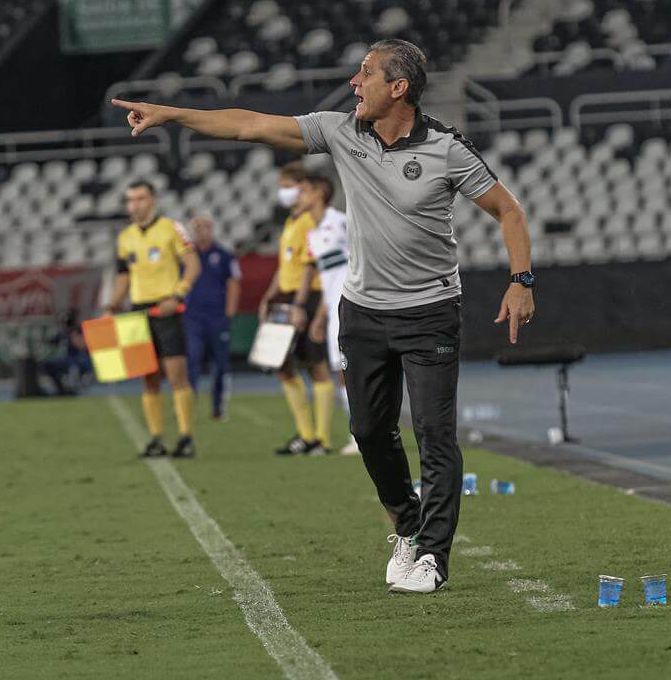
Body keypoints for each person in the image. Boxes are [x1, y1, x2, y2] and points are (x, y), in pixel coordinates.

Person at [113, 37, 533, 595]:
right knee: (366, 431)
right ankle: (408, 528)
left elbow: (509, 209)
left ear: (398, 87)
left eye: (366, 74)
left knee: (434, 433)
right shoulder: (339, 131)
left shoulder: (448, 150)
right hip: (362, 312)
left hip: (430, 310)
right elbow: (249, 126)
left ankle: (433, 554)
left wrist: (520, 280)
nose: (355, 83)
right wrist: (173, 115)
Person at [107, 180, 200, 458]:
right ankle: (157, 438)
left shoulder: (172, 228)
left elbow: (193, 264)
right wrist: (114, 301)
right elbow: (124, 276)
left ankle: (186, 437)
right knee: (148, 378)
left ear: (152, 200)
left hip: (167, 309)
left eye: (140, 198)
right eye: (130, 200)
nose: (134, 205)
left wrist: (179, 296)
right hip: (139, 311)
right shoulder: (125, 237)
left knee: (176, 375)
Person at [263, 162, 333, 455]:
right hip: (288, 297)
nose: (284, 192)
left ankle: (321, 438)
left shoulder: (307, 222)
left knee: (315, 365)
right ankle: (306, 434)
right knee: (281, 364)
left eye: (288, 186)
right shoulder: (293, 221)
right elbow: (287, 265)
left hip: (307, 296)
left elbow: (308, 265)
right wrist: (268, 295)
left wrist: (300, 305)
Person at [300, 169, 360, 455]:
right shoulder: (312, 234)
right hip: (333, 308)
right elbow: (328, 279)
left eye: (303, 192)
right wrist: (321, 317)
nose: (298, 197)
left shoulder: (340, 222)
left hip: (352, 303)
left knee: (351, 369)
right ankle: (360, 432)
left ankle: (363, 434)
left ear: (319, 193)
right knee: (342, 371)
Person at [183, 215, 241, 421]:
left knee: (220, 364)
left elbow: (234, 284)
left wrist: (229, 314)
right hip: (192, 318)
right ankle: (187, 406)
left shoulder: (224, 255)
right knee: (191, 361)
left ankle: (218, 406)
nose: (201, 231)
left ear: (211, 229)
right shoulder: (187, 257)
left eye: (205, 227)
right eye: (197, 228)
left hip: (217, 318)